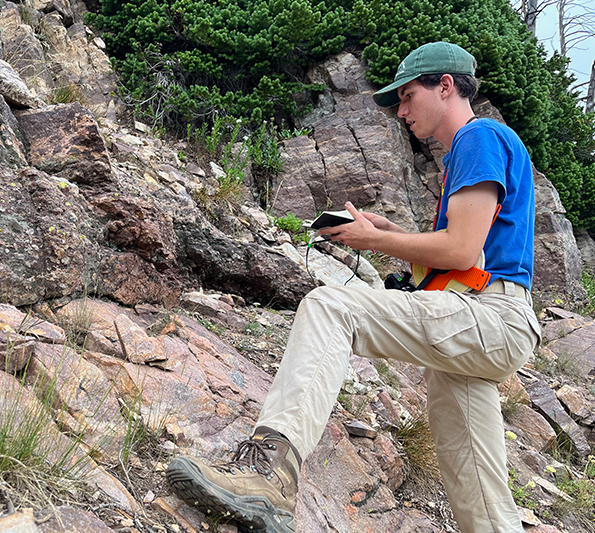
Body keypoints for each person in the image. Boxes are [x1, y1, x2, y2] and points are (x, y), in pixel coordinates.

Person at [166, 41, 542, 533]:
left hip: (489, 317)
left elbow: (460, 250)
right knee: (482, 500)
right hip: (485, 324)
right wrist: (388, 237)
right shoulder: (478, 149)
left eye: (407, 96)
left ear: (445, 86)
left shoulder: (478, 138)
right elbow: (465, 262)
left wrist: (371, 237)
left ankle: (270, 476)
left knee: (330, 305)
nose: (401, 111)